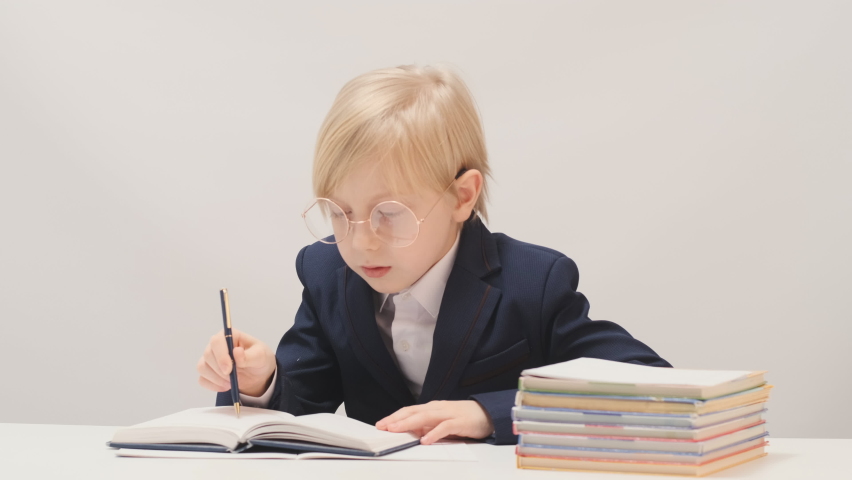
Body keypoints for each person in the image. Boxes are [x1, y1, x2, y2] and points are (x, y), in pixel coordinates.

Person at [196, 64, 670, 445]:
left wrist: (491, 412)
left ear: (462, 197)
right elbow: (302, 408)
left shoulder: (534, 282)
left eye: (390, 212)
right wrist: (262, 381)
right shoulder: (327, 274)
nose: (360, 243)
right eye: (339, 213)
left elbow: (650, 387)